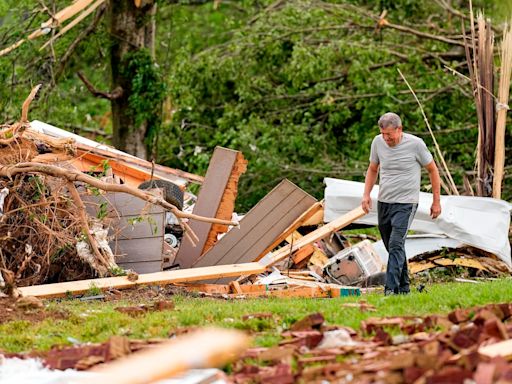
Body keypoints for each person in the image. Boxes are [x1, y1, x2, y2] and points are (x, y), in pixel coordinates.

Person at [361, 112, 441, 295]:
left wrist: (436, 201)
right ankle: (404, 289)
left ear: (399, 129)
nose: (385, 138)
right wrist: (366, 195)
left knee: (396, 243)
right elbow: (373, 169)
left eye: (389, 134)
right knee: (392, 246)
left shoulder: (416, 144)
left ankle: (390, 289)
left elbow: (433, 170)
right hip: (384, 202)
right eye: (383, 134)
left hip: (406, 203)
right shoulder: (377, 143)